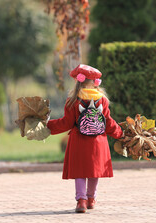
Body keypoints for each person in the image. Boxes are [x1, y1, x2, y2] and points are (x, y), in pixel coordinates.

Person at [46, 64, 124, 213]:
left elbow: (66, 123)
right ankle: (91, 199)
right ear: (95, 82)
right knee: (94, 171)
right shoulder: (103, 100)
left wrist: (48, 126)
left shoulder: (73, 100)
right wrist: (120, 133)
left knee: (80, 171)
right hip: (98, 142)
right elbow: (108, 123)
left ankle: (81, 201)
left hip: (79, 142)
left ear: (78, 81)